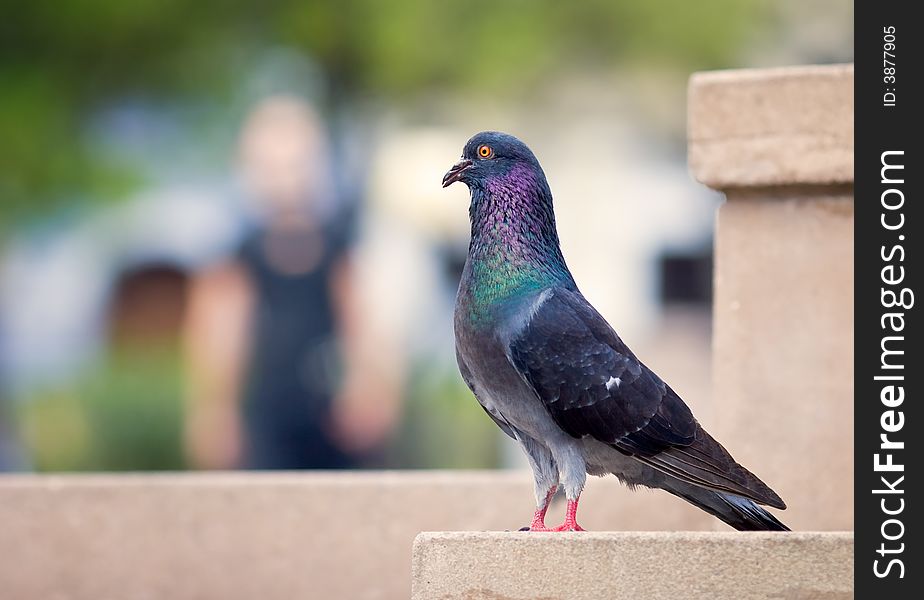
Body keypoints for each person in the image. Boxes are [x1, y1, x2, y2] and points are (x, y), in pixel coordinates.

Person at [183, 96, 402, 469]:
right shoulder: (239, 256)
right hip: (267, 415)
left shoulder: (339, 249)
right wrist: (214, 410)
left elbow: (362, 323)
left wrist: (370, 383)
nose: (285, 180)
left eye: (295, 166)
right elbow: (220, 336)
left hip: (332, 414)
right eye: (272, 167)